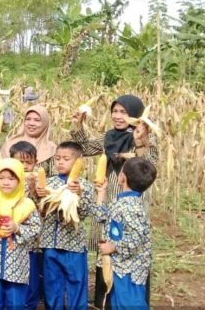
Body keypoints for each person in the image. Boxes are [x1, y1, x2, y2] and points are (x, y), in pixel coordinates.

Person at [71, 94, 158, 307]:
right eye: (115, 111)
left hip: (132, 202)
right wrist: (79, 124)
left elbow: (150, 168)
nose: (118, 117)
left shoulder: (148, 138)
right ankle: (105, 300)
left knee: (128, 251)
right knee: (106, 251)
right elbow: (84, 148)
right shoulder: (109, 137)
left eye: (124, 113)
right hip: (108, 198)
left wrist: (140, 142)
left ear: (135, 115)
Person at [35, 142, 96, 310]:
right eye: (57, 158)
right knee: (52, 285)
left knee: (76, 282)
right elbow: (40, 211)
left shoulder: (85, 186)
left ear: (78, 161)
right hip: (50, 244)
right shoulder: (49, 183)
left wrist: (79, 194)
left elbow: (84, 213)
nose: (60, 162)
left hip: (73, 244)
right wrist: (39, 196)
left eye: (66, 159)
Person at [0, 158, 41, 309]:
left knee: (15, 303)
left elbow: (36, 229)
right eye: (1, 178)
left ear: (20, 180)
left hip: (16, 264)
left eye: (11, 179)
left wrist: (17, 228)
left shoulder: (26, 204)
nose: (5, 182)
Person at [95, 158, 156, 310]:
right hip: (119, 268)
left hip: (130, 271)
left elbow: (135, 239)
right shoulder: (123, 201)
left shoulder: (132, 207)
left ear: (122, 177)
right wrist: (101, 193)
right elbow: (102, 217)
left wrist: (113, 247)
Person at [9, 141, 43, 309]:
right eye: (19, 162)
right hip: (12, 242)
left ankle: (30, 305)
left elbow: (42, 206)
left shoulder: (39, 182)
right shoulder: (6, 182)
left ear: (36, 162)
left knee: (32, 278)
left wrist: (34, 188)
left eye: (28, 162)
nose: (24, 166)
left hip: (32, 243)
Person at [2, 105, 57, 176]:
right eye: (28, 119)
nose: (31, 123)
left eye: (37, 120)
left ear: (45, 122)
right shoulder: (9, 144)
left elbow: (56, 177)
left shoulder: (52, 149)